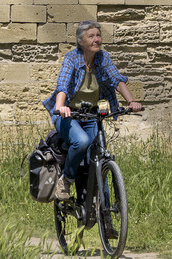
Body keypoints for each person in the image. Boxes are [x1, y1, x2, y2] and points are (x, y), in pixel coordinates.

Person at [42, 20, 143, 202]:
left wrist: (132, 101)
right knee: (81, 141)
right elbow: (62, 85)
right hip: (69, 114)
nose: (97, 39)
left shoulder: (103, 58)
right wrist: (60, 107)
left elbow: (117, 81)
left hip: (92, 115)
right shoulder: (72, 58)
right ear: (80, 41)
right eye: (91, 36)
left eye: (98, 35)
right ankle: (66, 180)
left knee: (98, 157)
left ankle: (104, 216)